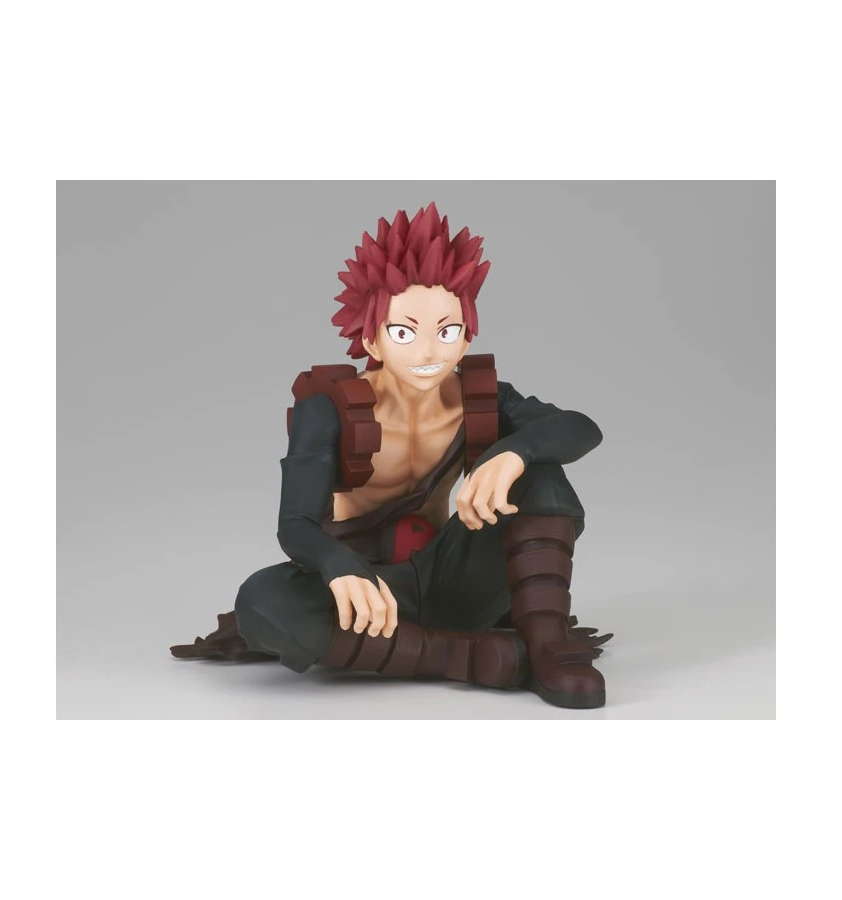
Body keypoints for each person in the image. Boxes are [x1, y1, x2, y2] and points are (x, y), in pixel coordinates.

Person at [171, 202, 611, 708]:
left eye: (447, 332)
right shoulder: (330, 409)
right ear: (371, 338)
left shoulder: (481, 397)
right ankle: (475, 656)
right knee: (263, 603)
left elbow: (581, 427)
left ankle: (549, 649)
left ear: (468, 335)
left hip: (451, 577)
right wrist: (338, 565)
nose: (428, 352)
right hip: (366, 595)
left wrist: (516, 451)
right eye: (405, 332)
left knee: (541, 470)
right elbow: (295, 524)